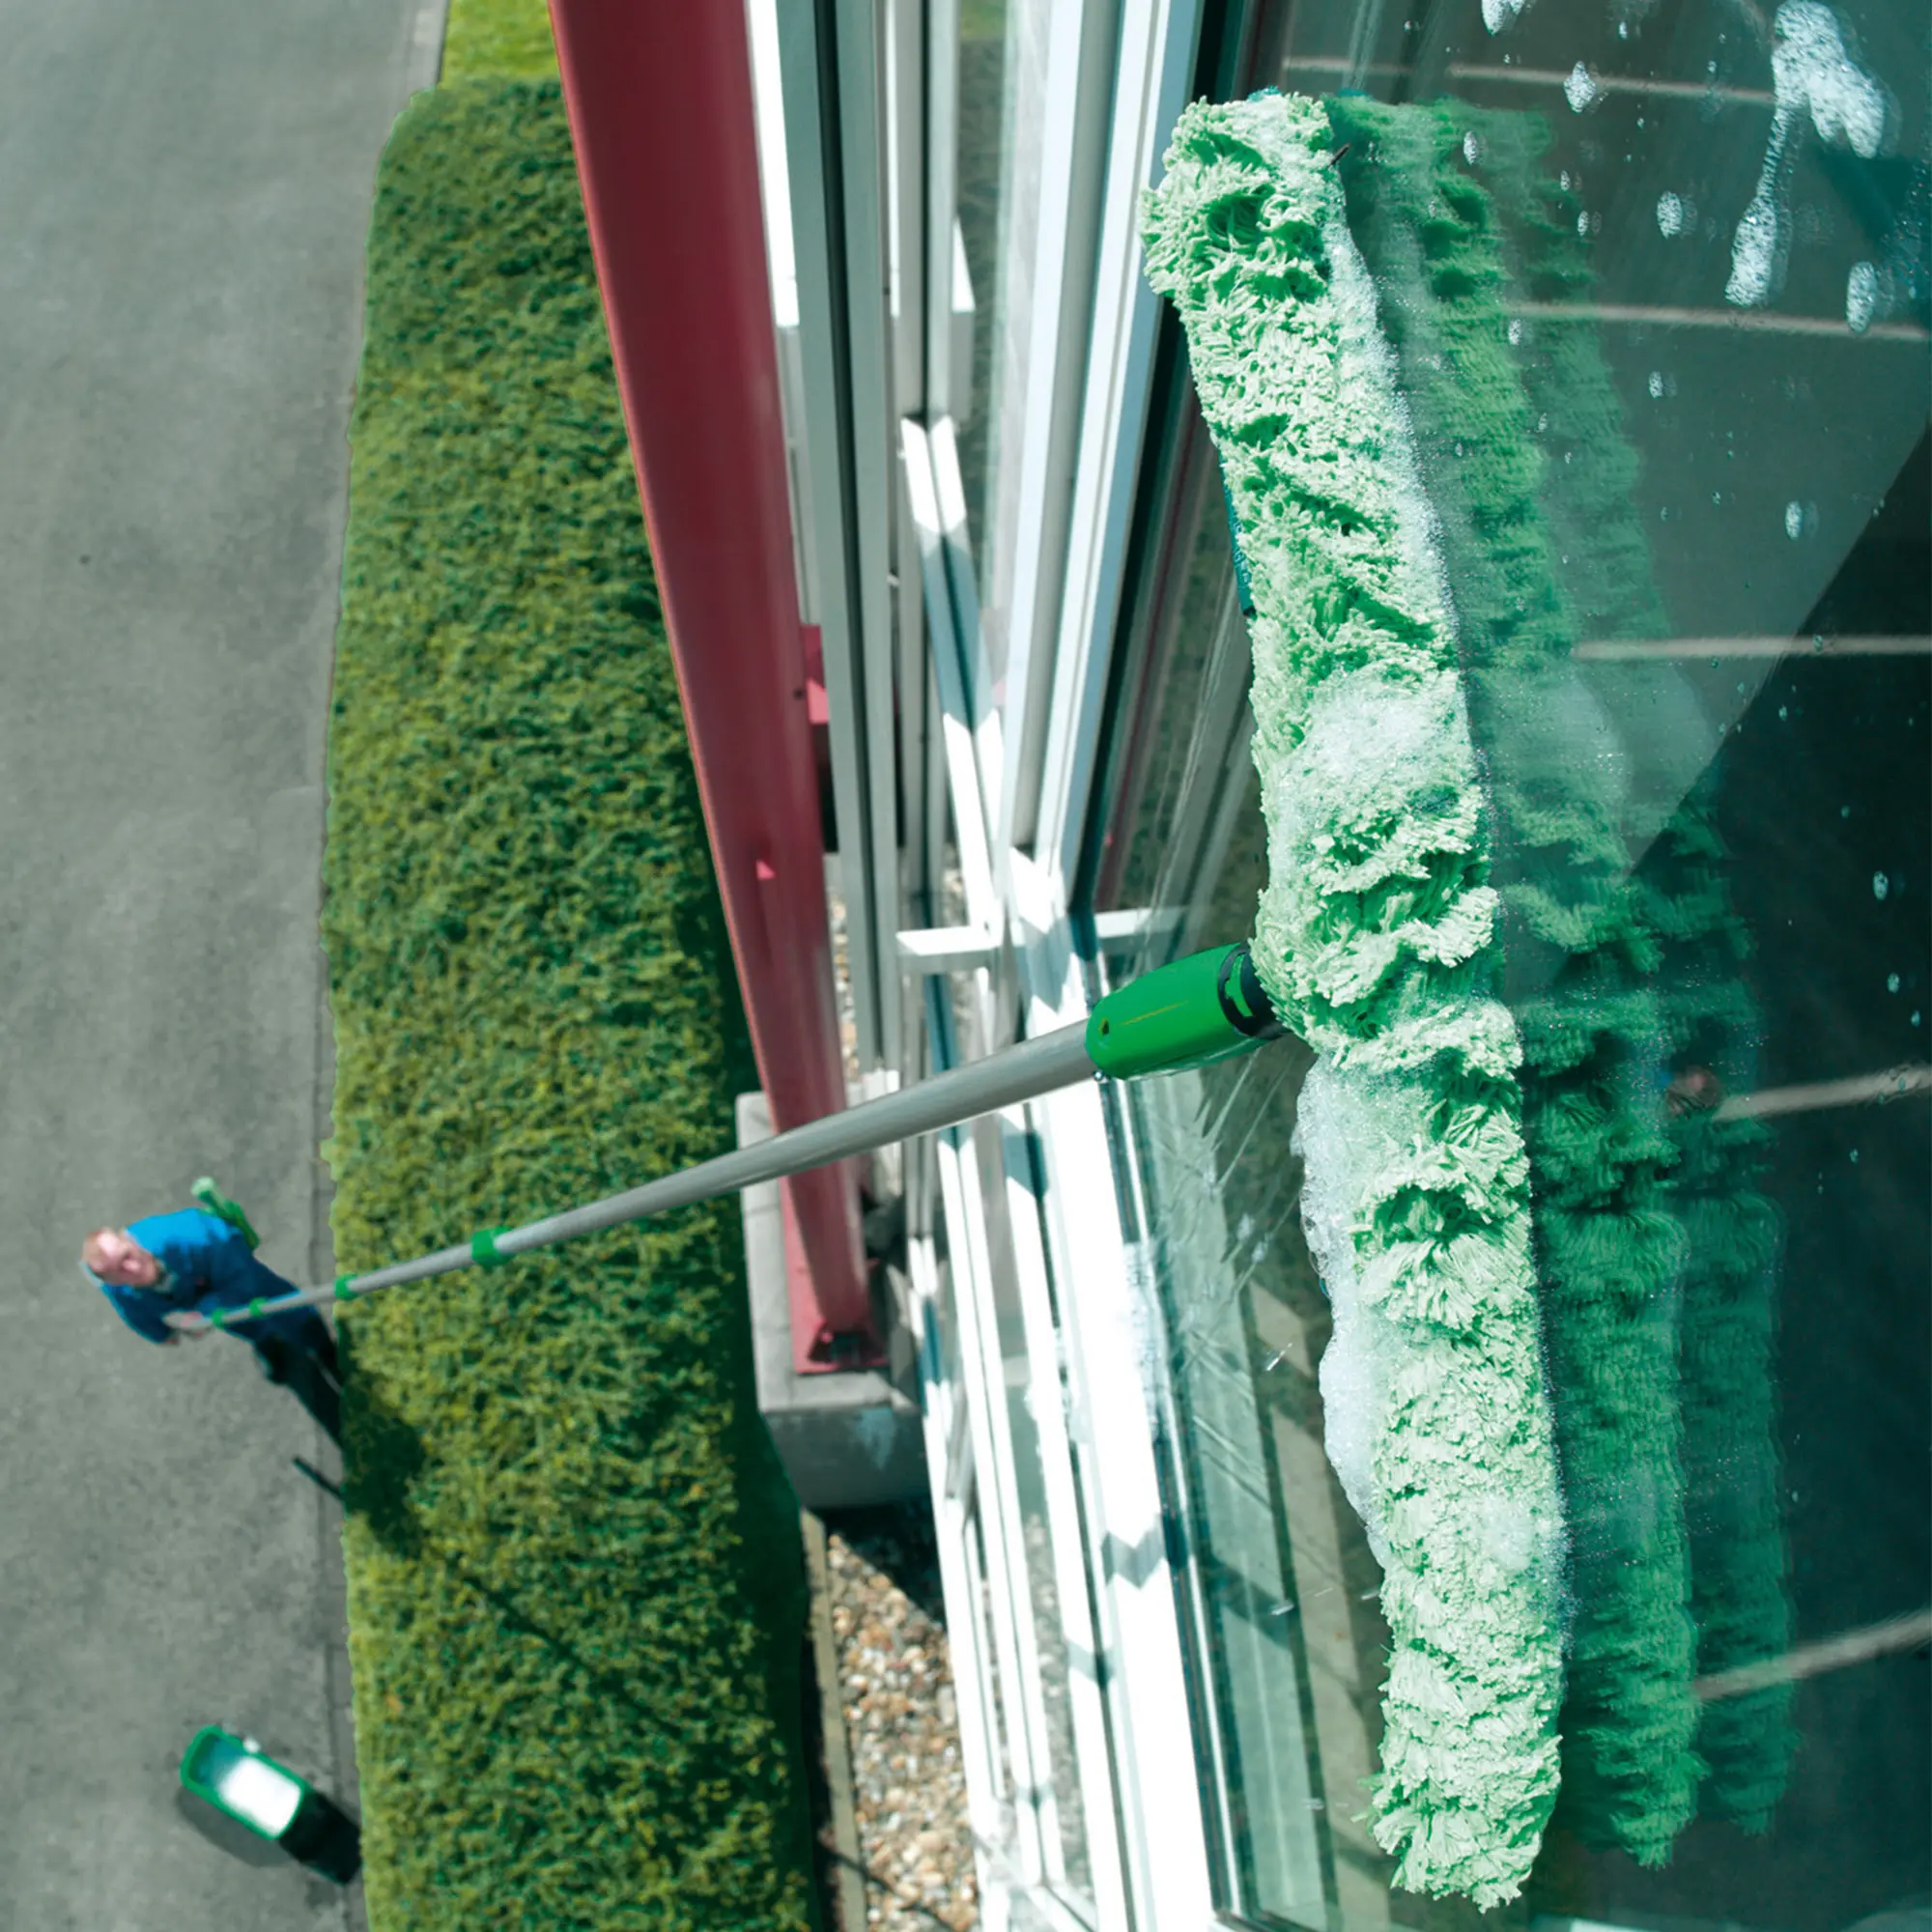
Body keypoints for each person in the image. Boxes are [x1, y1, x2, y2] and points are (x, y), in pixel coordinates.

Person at [82, 1209, 341, 1438]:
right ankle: (264, 1339)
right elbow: (135, 1314)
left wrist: (204, 1312)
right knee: (240, 1324)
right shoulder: (119, 1291)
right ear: (111, 1281)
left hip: (227, 1264)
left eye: (127, 1255)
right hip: (195, 1291)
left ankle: (324, 1348)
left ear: (130, 1239)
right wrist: (162, 1334)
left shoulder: (191, 1235)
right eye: (119, 1270)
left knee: (284, 1306)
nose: (133, 1268)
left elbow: (243, 1273)